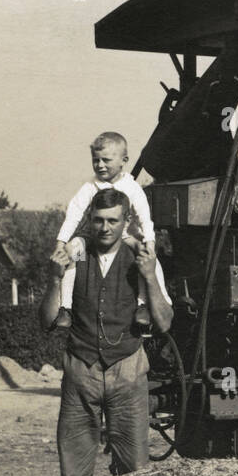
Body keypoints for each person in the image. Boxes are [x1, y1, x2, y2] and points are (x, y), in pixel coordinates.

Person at [38, 188, 174, 476]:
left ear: (126, 220)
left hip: (128, 373)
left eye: (113, 220)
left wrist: (149, 277)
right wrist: (52, 278)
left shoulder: (142, 260)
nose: (105, 227)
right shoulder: (74, 259)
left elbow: (164, 323)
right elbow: (47, 320)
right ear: (89, 220)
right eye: (98, 220)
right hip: (80, 372)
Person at [50, 132, 156, 331]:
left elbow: (144, 216)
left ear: (123, 161)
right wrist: (61, 242)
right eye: (95, 160)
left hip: (126, 236)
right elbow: (74, 213)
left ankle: (142, 306)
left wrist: (149, 242)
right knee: (73, 253)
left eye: (106, 160)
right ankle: (66, 307)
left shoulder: (132, 187)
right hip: (91, 237)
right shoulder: (90, 186)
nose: (100, 165)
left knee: (146, 258)